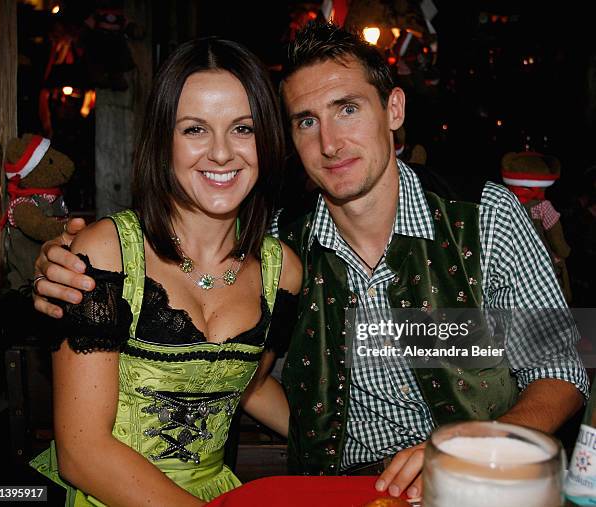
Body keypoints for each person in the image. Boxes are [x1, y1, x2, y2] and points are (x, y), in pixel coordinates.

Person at [33, 23, 588, 502]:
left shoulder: (485, 219)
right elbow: (227, 360)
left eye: (347, 109)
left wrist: (468, 451)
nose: (331, 142)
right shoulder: (279, 247)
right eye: (305, 120)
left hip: (474, 483)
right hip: (331, 489)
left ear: (393, 109)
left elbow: (559, 371)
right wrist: (60, 262)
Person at [29, 37, 301, 507]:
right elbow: (81, 452)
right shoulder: (107, 252)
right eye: (195, 129)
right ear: (163, 141)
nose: (221, 153)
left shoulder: (283, 271)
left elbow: (250, 385)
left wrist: (358, 449)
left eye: (242, 129)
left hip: (217, 493)